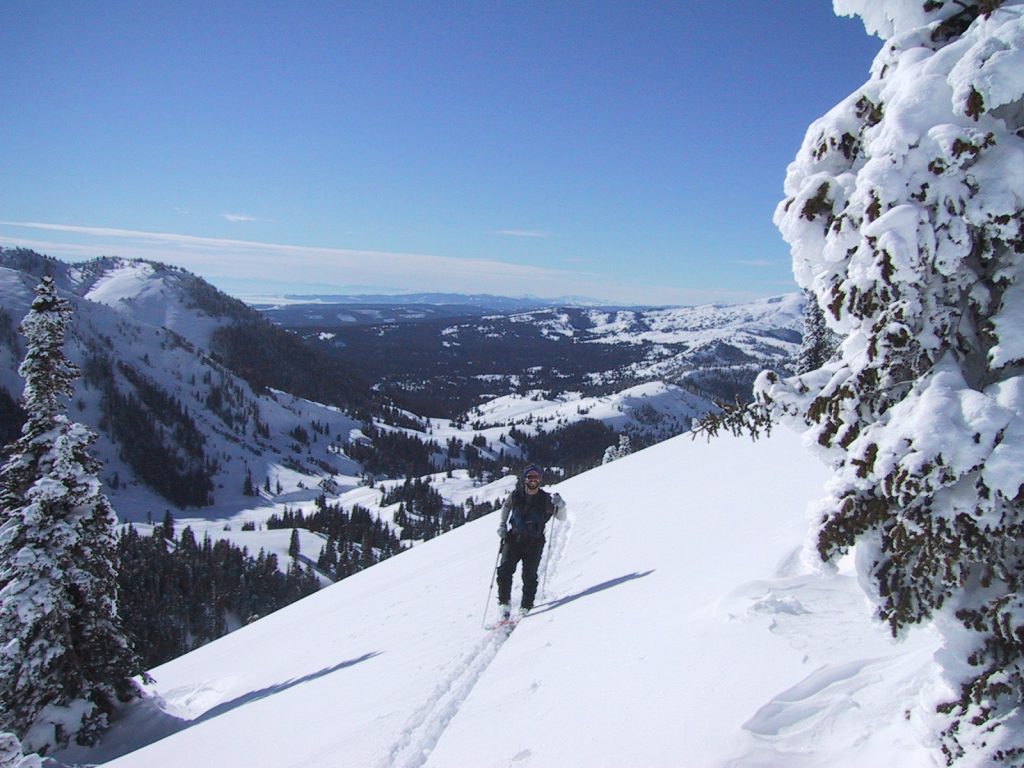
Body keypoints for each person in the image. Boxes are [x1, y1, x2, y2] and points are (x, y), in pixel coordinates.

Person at [496, 464, 566, 620]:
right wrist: (502, 524)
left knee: (529, 576)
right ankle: (504, 605)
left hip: (534, 542)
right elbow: (506, 508)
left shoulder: (546, 499)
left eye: (535, 477)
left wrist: (561, 505)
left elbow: (561, 517)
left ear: (540, 479)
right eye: (529, 477)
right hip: (513, 538)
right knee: (504, 570)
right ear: (525, 479)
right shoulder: (516, 495)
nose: (532, 480)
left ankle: (526, 606)